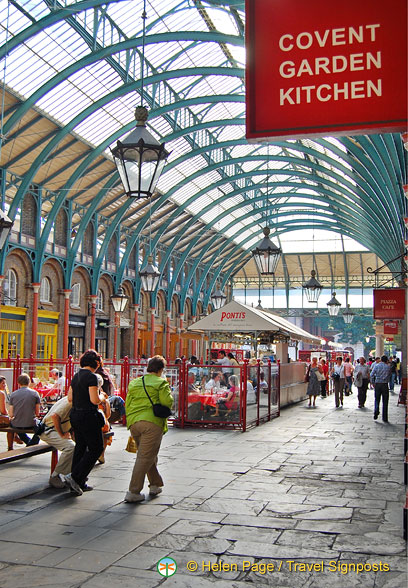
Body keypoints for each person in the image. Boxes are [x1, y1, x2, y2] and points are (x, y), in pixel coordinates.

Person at [124, 355, 173, 503]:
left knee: (148, 454)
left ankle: (155, 484)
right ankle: (133, 491)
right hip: (151, 423)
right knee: (144, 457)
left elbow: (128, 403)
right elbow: (167, 402)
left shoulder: (135, 383)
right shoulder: (161, 383)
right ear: (161, 369)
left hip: (134, 422)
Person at [61, 349, 107, 496]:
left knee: (80, 447)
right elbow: (94, 400)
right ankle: (75, 477)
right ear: (96, 363)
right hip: (88, 415)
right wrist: (102, 397)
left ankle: (78, 482)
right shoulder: (92, 377)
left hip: (75, 414)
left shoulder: (76, 376)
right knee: (96, 448)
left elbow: (69, 398)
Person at [40, 395, 75, 488]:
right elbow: (55, 416)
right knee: (70, 447)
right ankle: (56, 476)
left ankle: (71, 474)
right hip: (49, 430)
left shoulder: (72, 399)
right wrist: (62, 434)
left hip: (52, 429)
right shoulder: (70, 401)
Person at [7, 373, 41, 450]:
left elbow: (11, 414)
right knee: (41, 426)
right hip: (30, 423)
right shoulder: (35, 394)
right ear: (29, 382)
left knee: (15, 425)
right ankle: (32, 444)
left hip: (16, 423)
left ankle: (28, 443)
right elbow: (37, 413)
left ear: (18, 383)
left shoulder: (13, 394)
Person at [370, 355, 391, 422]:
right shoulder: (388, 367)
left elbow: (371, 375)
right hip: (385, 384)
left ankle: (376, 411)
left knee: (377, 399)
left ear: (381, 360)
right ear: (386, 360)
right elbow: (389, 376)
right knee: (385, 401)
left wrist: (373, 382)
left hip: (378, 384)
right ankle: (384, 417)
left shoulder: (376, 366)